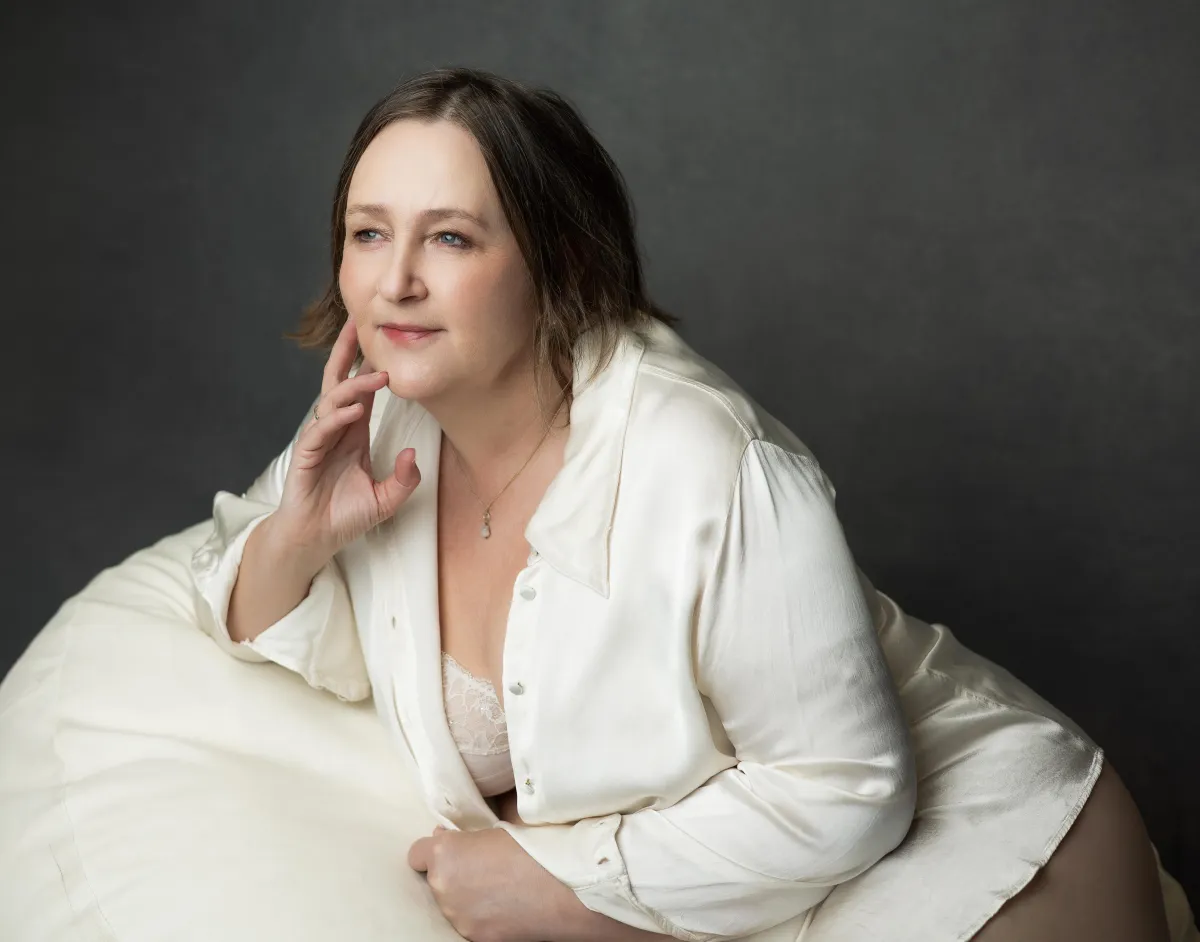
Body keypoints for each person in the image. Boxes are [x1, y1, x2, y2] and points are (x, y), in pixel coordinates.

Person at [190, 67, 1186, 941]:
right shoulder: (387, 414)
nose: (395, 283)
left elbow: (849, 791)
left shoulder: (707, 458)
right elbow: (246, 602)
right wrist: (298, 535)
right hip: (736, 886)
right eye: (368, 234)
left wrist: (563, 886)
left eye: (450, 237)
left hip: (979, 857)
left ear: (558, 260)